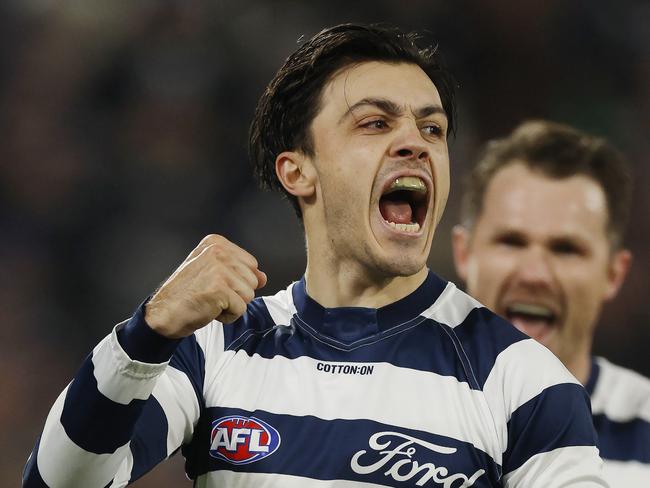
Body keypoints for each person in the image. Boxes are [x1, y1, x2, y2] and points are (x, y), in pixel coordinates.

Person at [24, 24, 608, 487]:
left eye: (433, 130)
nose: (415, 143)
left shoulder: (523, 381)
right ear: (298, 171)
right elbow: (58, 482)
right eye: (375, 123)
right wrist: (146, 333)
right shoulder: (218, 347)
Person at [452, 120, 650, 486]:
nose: (534, 274)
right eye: (511, 241)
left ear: (613, 274)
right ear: (464, 253)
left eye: (565, 249)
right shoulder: (376, 411)